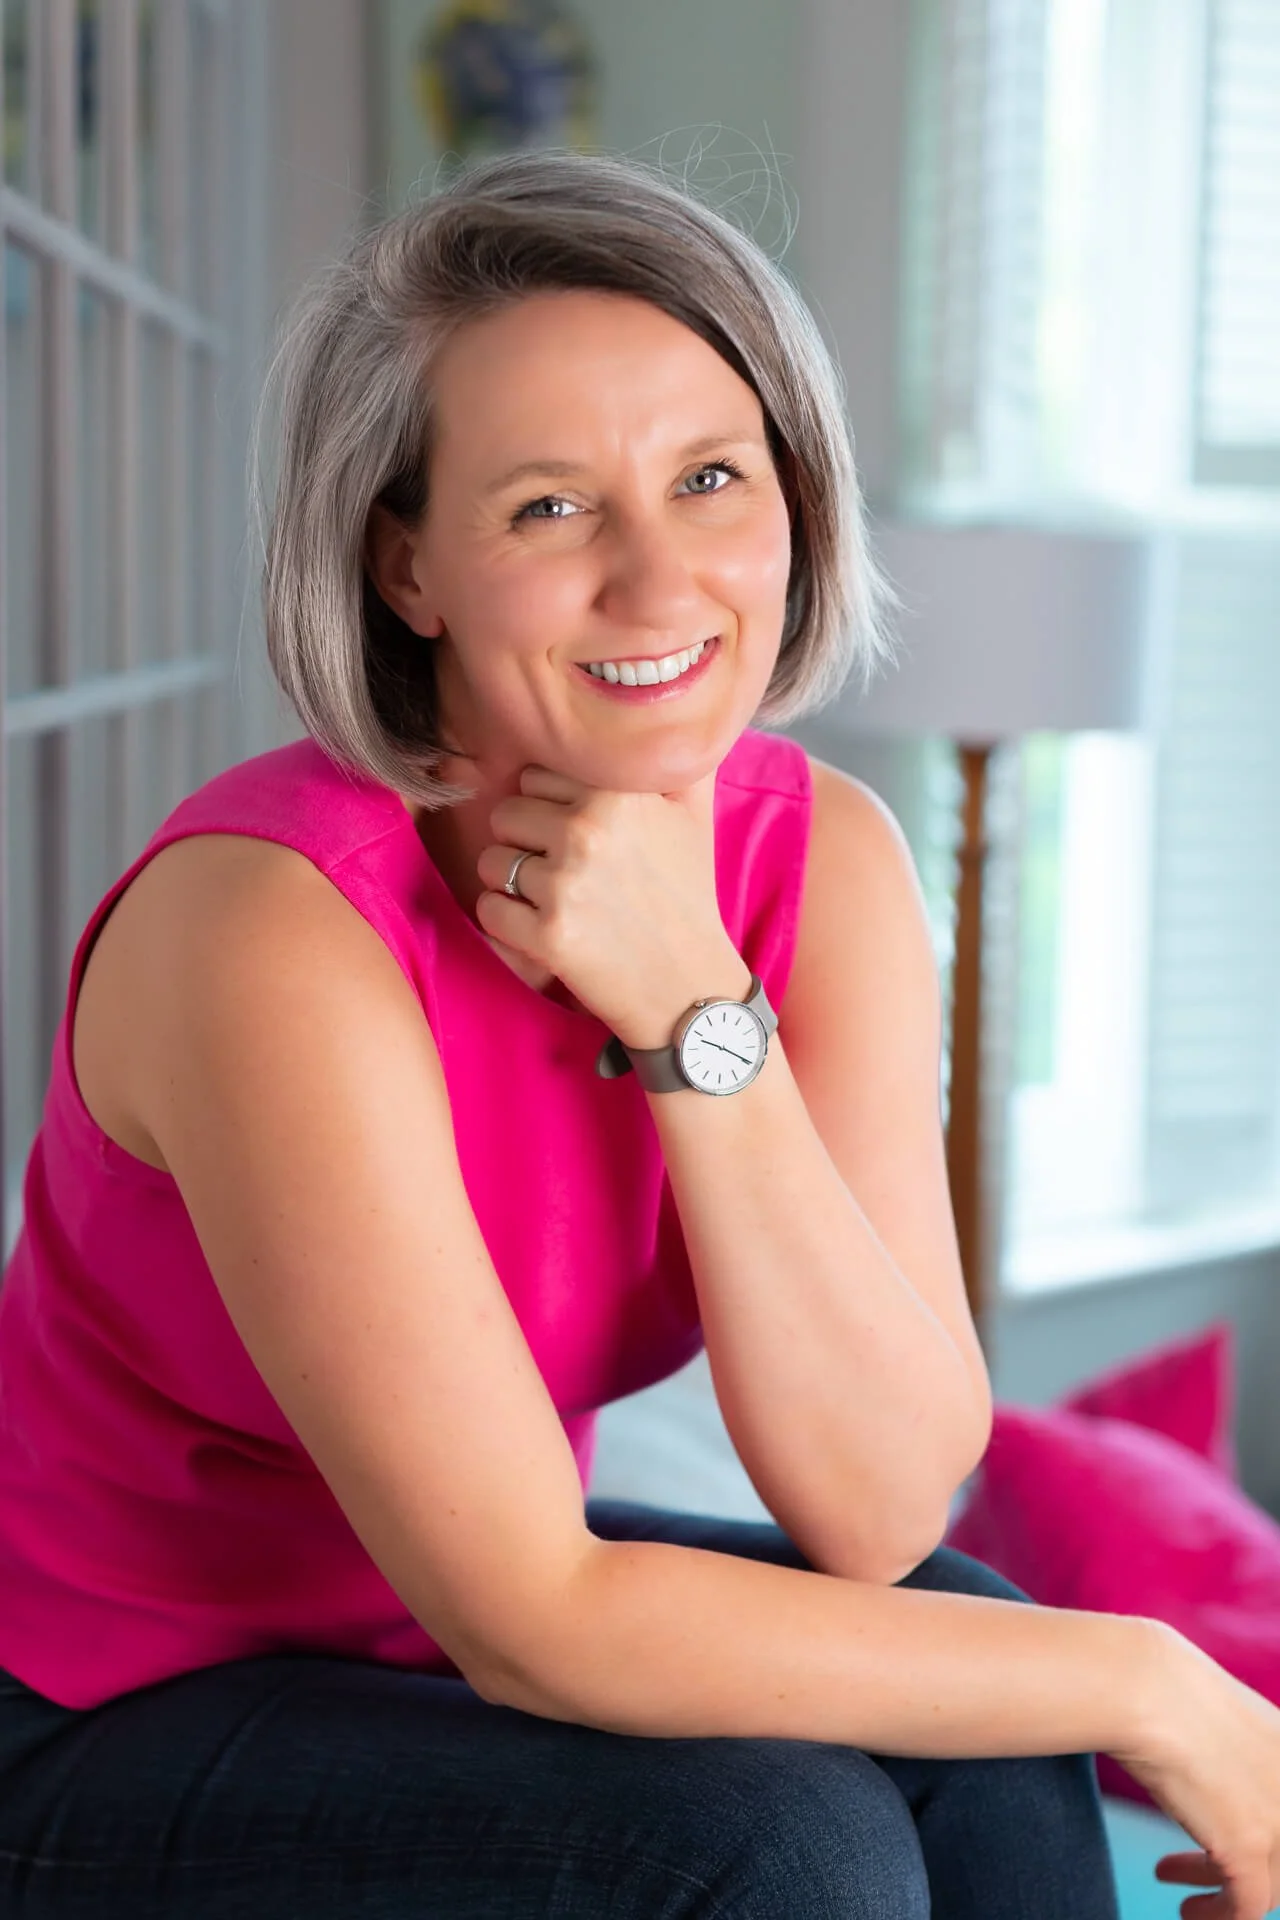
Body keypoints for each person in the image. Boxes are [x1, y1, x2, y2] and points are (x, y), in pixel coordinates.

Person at [0, 150, 1277, 1920]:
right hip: (99, 1703)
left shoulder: (815, 859)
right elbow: (535, 1619)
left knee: (973, 1660)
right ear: (408, 566)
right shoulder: (268, 932)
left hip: (424, 1627)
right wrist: (1157, 1679)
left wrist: (696, 1012)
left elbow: (884, 1507)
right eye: (547, 508)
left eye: (708, 478)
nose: (659, 582)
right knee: (785, 1842)